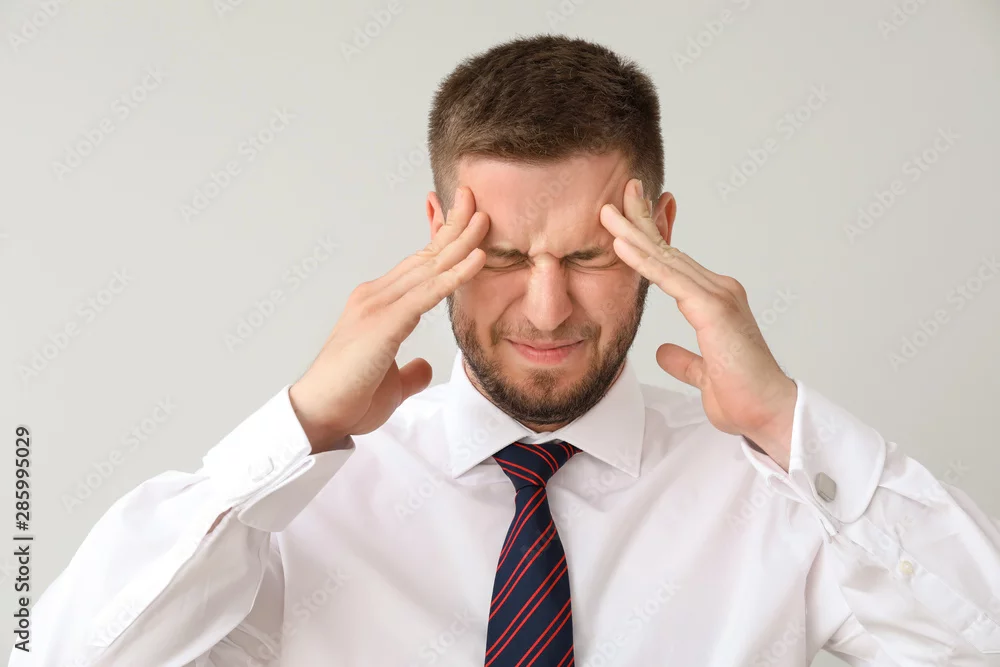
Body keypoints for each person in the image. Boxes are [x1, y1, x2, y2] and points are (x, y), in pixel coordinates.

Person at [14, 34, 1000, 667]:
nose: (546, 306)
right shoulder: (295, 510)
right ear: (436, 231)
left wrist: (786, 423)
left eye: (588, 255)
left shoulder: (773, 495)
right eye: (499, 255)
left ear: (657, 233)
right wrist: (300, 426)